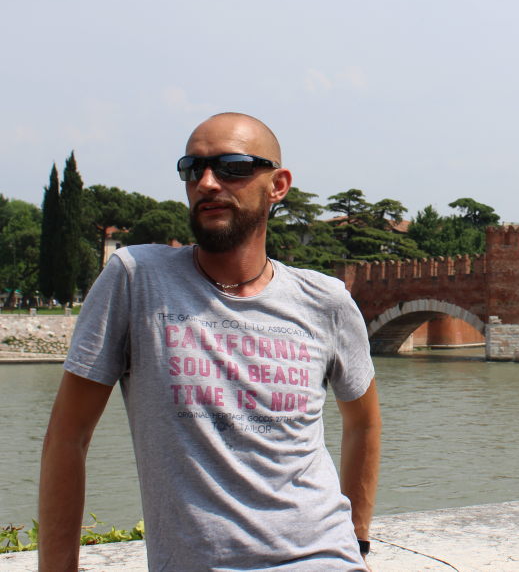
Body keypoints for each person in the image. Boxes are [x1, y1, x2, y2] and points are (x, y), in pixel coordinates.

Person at [38, 113, 381, 570]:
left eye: (232, 167)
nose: (207, 182)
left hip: (322, 556)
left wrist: (357, 541)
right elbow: (68, 436)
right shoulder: (136, 279)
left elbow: (364, 423)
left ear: (278, 185)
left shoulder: (325, 300)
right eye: (192, 168)